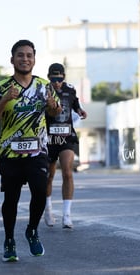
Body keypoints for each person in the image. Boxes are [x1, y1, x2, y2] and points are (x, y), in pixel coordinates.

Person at [0, 39, 62, 262]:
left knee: (40, 191)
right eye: (21, 55)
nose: (25, 59)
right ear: (12, 59)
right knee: (11, 199)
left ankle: (32, 230)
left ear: (34, 59)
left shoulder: (44, 85)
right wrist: (5, 100)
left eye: (29, 55)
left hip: (37, 151)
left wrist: (52, 106)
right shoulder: (1, 88)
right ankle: (9, 240)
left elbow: (56, 112)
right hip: (10, 153)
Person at [44, 63, 87, 229]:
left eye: (59, 79)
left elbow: (75, 103)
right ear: (49, 77)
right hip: (48, 138)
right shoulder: (43, 90)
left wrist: (79, 110)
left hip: (67, 135)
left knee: (68, 173)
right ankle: (48, 210)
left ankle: (67, 215)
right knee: (49, 175)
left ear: (64, 77)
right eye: (54, 79)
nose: (57, 83)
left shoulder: (70, 89)